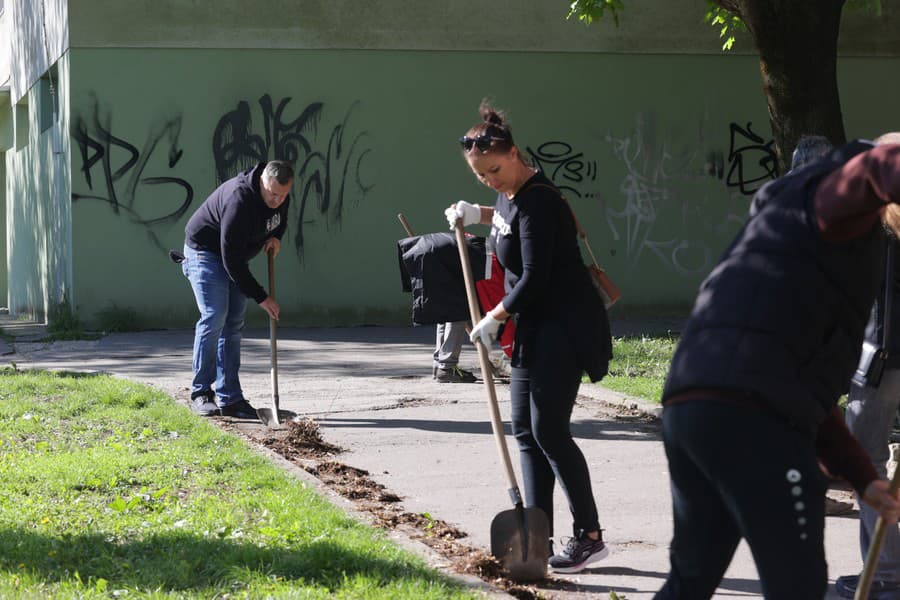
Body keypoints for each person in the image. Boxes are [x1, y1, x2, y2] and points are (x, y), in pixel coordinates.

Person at [655, 134, 900, 599]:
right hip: (753, 420)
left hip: (692, 408)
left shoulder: (784, 237)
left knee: (692, 577)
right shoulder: (827, 204)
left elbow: (792, 383)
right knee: (798, 586)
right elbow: (878, 166)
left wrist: (863, 476)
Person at [446, 101, 613, 573]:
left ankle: (591, 536)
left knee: (549, 431)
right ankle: (537, 537)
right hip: (535, 326)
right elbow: (505, 218)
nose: (490, 181)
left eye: (494, 171)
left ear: (515, 154)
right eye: (481, 176)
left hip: (564, 325)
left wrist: (495, 314)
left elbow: (536, 275)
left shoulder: (539, 198)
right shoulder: (509, 193)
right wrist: (476, 212)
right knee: (525, 431)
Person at [181, 160, 293, 419]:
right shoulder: (239, 200)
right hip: (205, 253)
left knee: (233, 323)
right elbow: (230, 258)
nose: (277, 200)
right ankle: (201, 393)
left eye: (283, 195)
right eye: (273, 194)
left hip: (235, 258)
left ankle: (230, 398)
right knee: (215, 315)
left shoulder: (280, 196)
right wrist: (261, 297)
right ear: (263, 181)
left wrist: (277, 237)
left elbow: (280, 219)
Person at [836, 232, 900, 599]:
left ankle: (887, 572)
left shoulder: (880, 220)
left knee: (863, 458)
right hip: (885, 349)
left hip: (885, 353)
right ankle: (884, 569)